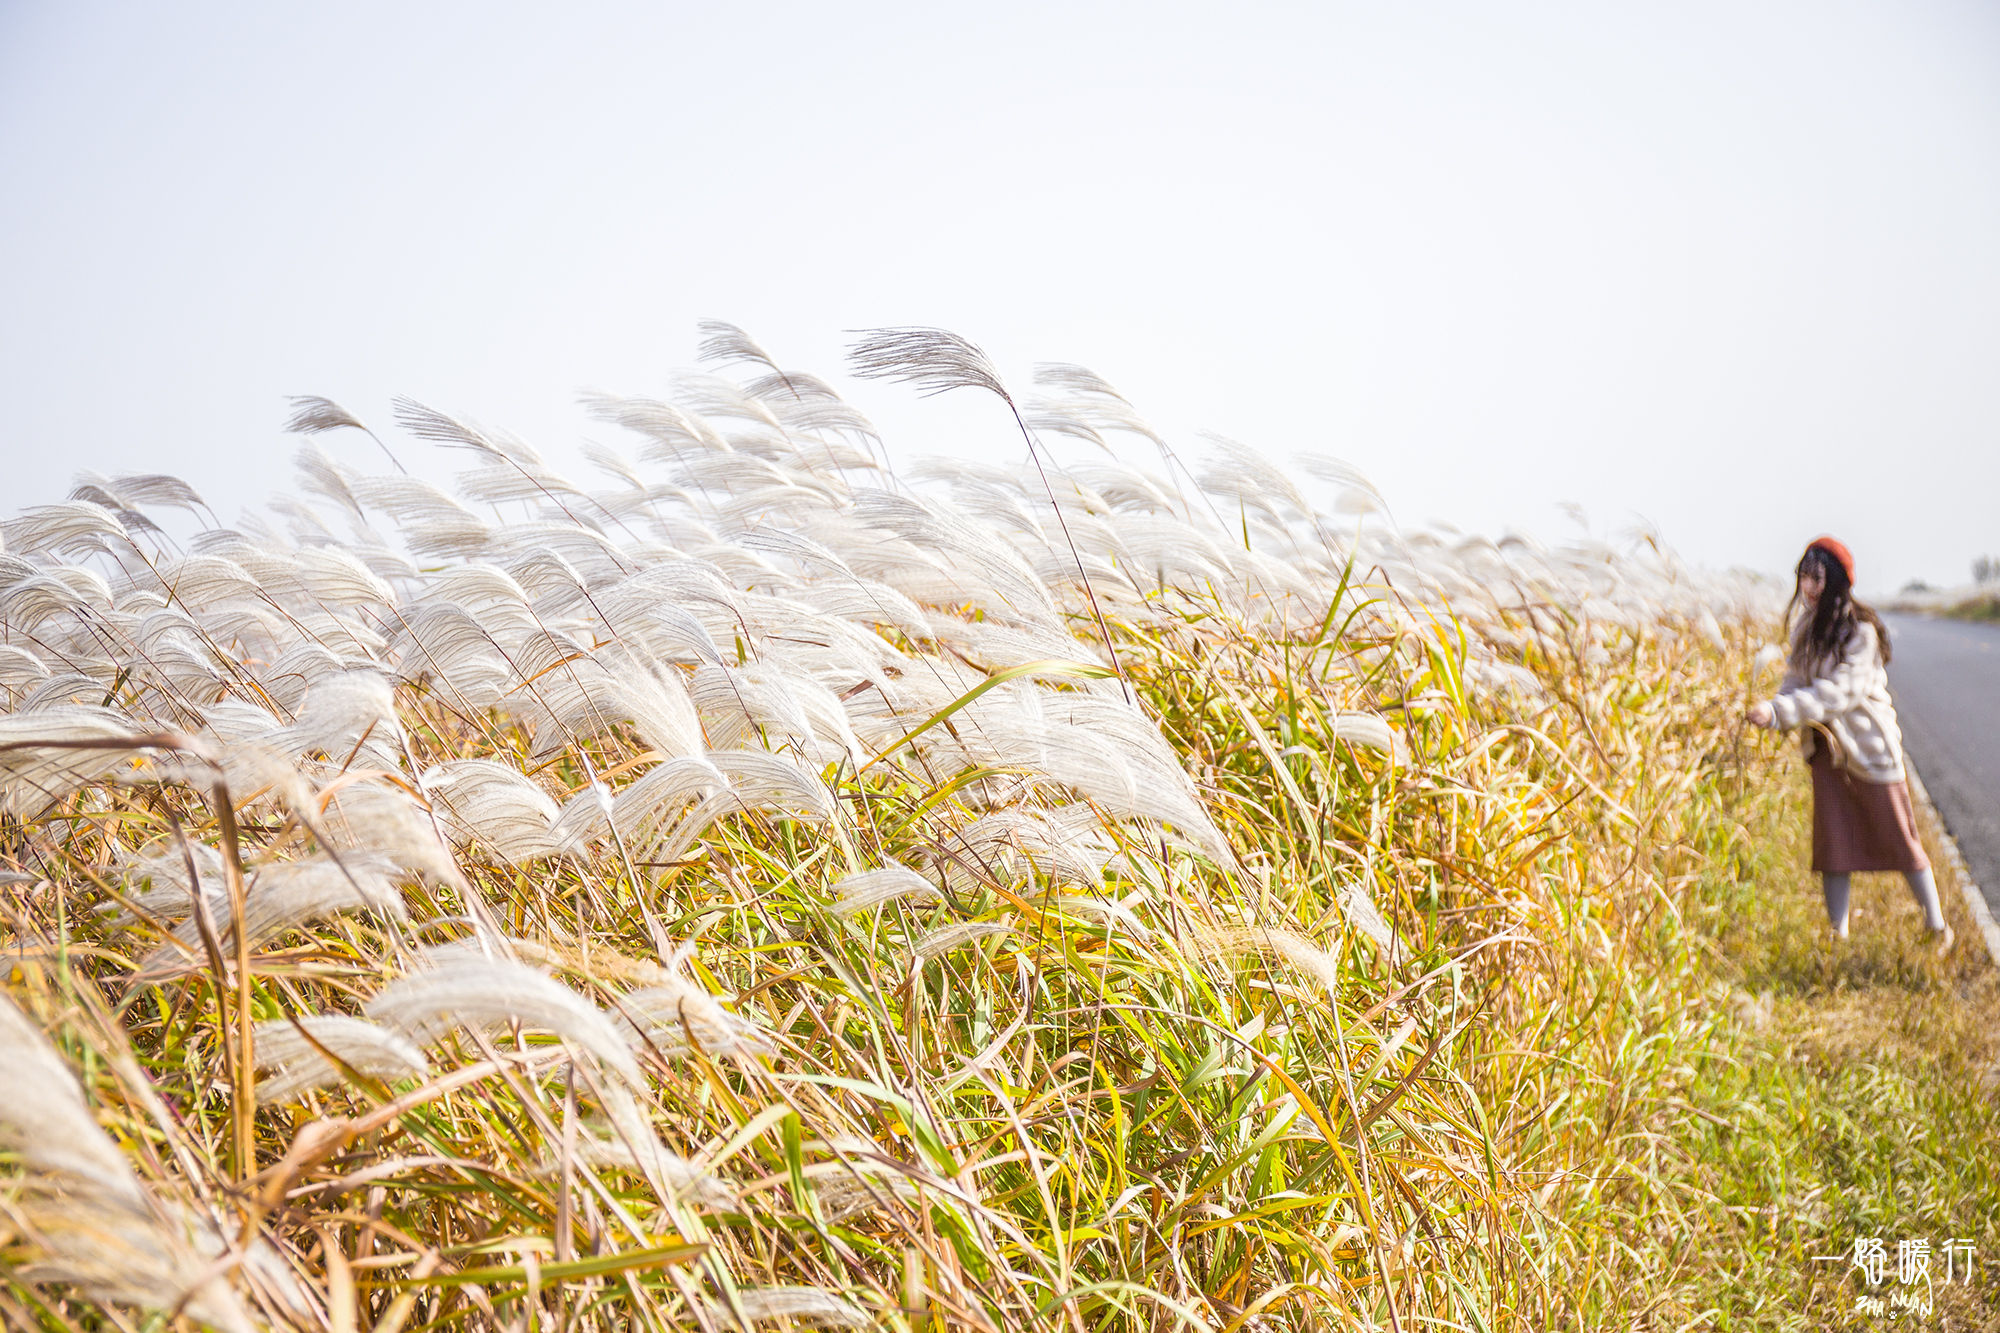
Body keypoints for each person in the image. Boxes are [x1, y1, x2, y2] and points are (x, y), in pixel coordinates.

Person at [1746, 536, 1950, 948]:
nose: (1809, 586)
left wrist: (1781, 712)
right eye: (1804, 576)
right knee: (1833, 841)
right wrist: (1771, 707)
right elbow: (1796, 680)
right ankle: (1836, 937)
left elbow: (1840, 692)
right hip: (1828, 752)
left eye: (1817, 577)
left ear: (1836, 580)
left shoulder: (1861, 630)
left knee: (1900, 837)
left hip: (1870, 749)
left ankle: (1936, 926)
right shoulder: (1807, 627)